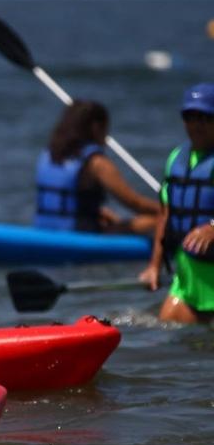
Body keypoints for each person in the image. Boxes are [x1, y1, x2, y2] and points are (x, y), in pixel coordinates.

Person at [140, 83, 214, 324]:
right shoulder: (176, 158)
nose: (196, 124)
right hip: (187, 279)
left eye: (204, 117)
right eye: (189, 117)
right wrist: (155, 264)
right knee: (165, 334)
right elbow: (165, 216)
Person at [34, 100, 159, 235]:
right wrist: (169, 210)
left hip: (44, 230)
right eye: (106, 129)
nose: (106, 138)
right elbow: (135, 203)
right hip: (81, 235)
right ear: (96, 128)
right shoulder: (97, 162)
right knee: (159, 220)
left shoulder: (49, 154)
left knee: (108, 216)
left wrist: (97, 212)